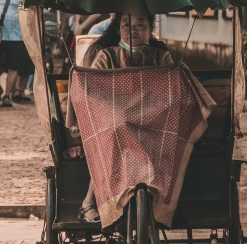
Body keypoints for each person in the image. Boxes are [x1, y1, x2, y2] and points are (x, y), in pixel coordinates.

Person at [71, 12, 174, 223]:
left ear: (150, 27)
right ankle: (89, 201)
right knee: (116, 130)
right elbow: (92, 91)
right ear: (119, 29)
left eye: (140, 24)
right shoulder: (106, 56)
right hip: (115, 121)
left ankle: (167, 201)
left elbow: (173, 87)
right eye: (127, 25)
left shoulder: (161, 56)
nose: (133, 29)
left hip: (154, 122)